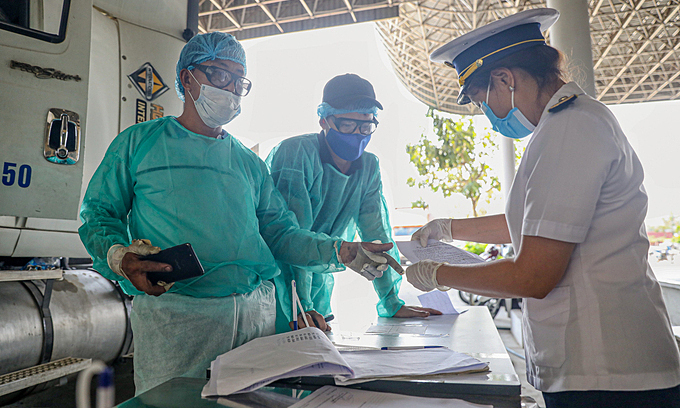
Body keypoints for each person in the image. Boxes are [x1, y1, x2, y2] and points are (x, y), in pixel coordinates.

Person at [78, 33, 396, 394]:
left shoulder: (248, 163)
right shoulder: (139, 143)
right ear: (187, 78)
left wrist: (341, 251)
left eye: (238, 80)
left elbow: (281, 234)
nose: (229, 89)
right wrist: (120, 257)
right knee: (171, 403)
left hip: (254, 317)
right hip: (180, 320)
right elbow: (99, 214)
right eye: (219, 76)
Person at [405, 8, 680, 408]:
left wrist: (439, 273)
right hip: (599, 368)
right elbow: (535, 223)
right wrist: (448, 228)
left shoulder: (571, 129)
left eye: (484, 101)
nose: (488, 115)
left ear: (505, 78)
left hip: (612, 374)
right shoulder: (560, 126)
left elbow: (534, 275)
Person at [266, 73, 440, 332]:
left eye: (366, 126)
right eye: (347, 125)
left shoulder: (368, 167)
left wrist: (391, 301)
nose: (357, 134)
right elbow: (289, 241)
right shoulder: (296, 155)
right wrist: (299, 307)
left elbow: (377, 235)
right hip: (283, 293)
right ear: (324, 120)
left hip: (319, 299)